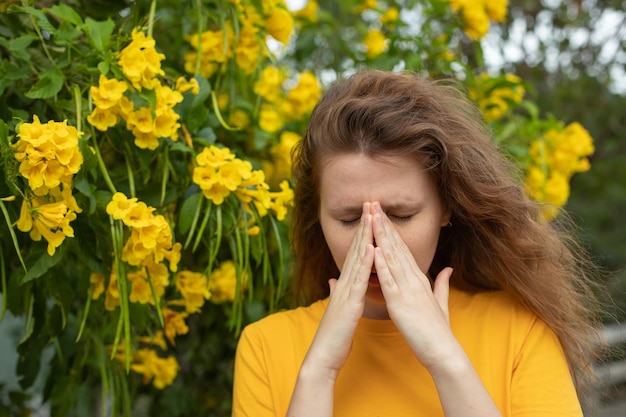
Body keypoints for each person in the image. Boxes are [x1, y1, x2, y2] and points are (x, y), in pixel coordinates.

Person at [232, 70, 604, 417]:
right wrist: (319, 372)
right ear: (319, 219)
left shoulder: (520, 330)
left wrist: (445, 360)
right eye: (349, 220)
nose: (374, 243)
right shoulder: (265, 347)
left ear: (446, 208)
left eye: (401, 215)